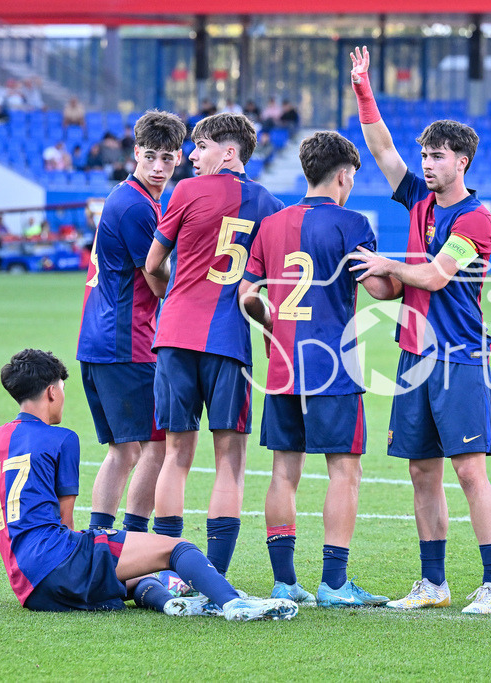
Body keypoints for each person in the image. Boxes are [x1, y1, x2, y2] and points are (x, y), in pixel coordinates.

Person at [345, 46, 491, 615]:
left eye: (436, 156)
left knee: (469, 472)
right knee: (422, 472)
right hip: (414, 354)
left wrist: (387, 263)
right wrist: (364, 91)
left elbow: (439, 277)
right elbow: (382, 148)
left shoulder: (475, 218)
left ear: (461, 162)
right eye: (425, 154)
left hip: (459, 357)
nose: (426, 163)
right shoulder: (418, 197)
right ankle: (433, 583)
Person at [0, 348, 297, 621]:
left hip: (32, 593)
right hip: (59, 564)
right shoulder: (60, 439)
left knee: (135, 572)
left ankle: (169, 604)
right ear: (51, 391)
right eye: (62, 389)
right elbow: (65, 524)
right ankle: (233, 604)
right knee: (177, 548)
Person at [237, 131, 392, 608]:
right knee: (344, 471)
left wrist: (272, 327)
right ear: (344, 175)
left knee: (284, 471)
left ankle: (285, 582)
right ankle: (334, 583)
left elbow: (247, 296)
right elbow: (380, 292)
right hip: (332, 367)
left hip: (283, 366)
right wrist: (404, 275)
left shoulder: (272, 224)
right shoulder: (352, 223)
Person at [145, 112, 284, 577]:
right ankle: (214, 575)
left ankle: (167, 570)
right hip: (228, 340)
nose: (190, 155)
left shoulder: (184, 191)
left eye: (199, 146)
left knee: (175, 455)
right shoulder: (269, 204)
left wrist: (179, 293)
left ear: (228, 152)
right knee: (230, 460)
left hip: (175, 335)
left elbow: (152, 265)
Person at [77, 110, 187, 537]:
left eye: (167, 158)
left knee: (124, 452)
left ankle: (100, 538)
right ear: (135, 153)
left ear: (178, 157)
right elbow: (157, 281)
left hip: (100, 340)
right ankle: (136, 539)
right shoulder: (138, 208)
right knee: (155, 448)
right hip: (128, 344)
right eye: (151, 157)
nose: (159, 167)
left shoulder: (124, 196)